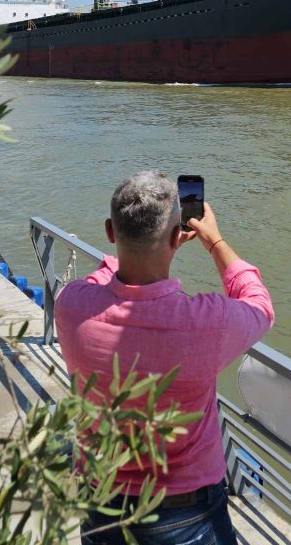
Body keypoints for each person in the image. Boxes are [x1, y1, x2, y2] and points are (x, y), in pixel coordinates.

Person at [55, 171, 274, 545]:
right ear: (177, 238)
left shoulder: (71, 306)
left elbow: (103, 275)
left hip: (99, 505)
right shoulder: (205, 324)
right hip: (186, 514)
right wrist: (214, 241)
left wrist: (140, 251)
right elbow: (259, 303)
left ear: (110, 231)